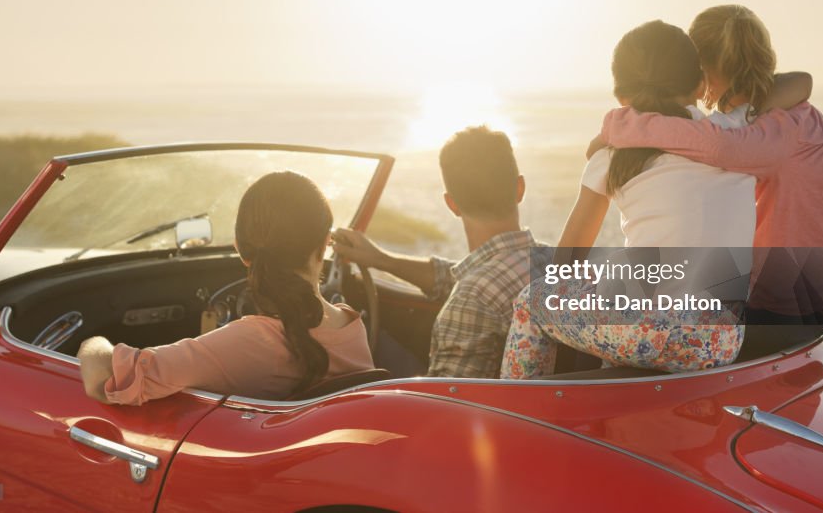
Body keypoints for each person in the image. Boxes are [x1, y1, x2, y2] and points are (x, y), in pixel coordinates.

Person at [501, 20, 813, 378]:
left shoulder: (612, 154)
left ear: (620, 97)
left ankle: (517, 406)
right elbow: (800, 83)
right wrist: (755, 102)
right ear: (699, 84)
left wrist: (581, 290)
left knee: (532, 301)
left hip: (649, 331)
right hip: (720, 341)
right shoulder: (737, 133)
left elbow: (568, 257)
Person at [588, 5, 823, 355]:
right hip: (819, 304)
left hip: (784, 315)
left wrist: (620, 126)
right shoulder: (791, 116)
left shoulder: (759, 133)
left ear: (702, 70)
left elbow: (711, 144)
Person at [78, 171, 374, 404]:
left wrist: (93, 345)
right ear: (324, 247)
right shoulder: (353, 326)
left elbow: (106, 380)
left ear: (242, 252)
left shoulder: (250, 342)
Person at [333, 126, 549, 379]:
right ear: (520, 189)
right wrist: (383, 261)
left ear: (451, 204)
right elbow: (463, 276)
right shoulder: (551, 261)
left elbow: (443, 405)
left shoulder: (470, 300)